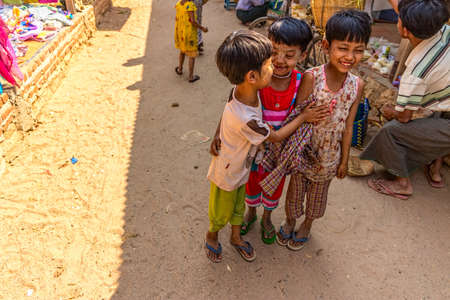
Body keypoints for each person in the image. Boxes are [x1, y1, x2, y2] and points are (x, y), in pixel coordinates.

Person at [205, 30, 315, 263]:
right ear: (252, 76)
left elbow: (226, 108)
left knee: (237, 206)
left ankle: (236, 237)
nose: (274, 66)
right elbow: (274, 137)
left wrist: (217, 133)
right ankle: (212, 237)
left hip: (240, 167)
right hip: (227, 171)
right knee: (220, 211)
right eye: (268, 64)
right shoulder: (247, 118)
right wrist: (304, 117)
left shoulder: (242, 91)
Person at [276, 10, 369, 251]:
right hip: (304, 151)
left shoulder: (357, 85)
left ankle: (307, 225)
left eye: (358, 50)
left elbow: (348, 126)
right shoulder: (311, 78)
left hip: (329, 157)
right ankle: (290, 220)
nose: (350, 56)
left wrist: (344, 160)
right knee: (295, 195)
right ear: (327, 46)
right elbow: (297, 117)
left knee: (318, 200)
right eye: (343, 48)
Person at [236, 18, 328, 245]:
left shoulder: (301, 83)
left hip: (280, 151)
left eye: (289, 55)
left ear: (302, 56)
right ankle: (251, 213)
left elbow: (302, 114)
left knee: (274, 187)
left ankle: (267, 218)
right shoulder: (256, 77)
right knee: (251, 182)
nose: (279, 60)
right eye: (274, 52)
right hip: (254, 147)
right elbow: (236, 105)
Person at [361, 0, 450, 199]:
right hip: (446, 103)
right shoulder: (442, 29)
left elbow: (404, 117)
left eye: (400, 16)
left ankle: (402, 184)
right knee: (435, 108)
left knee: (390, 132)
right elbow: (401, 7)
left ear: (405, 30)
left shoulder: (417, 71)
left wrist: (389, 110)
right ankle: (434, 169)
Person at [174, 0, 208, 82]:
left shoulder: (179, 4)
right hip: (189, 34)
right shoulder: (190, 6)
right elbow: (192, 21)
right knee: (192, 55)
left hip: (181, 33)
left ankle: (180, 69)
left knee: (182, 51)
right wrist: (202, 28)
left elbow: (176, 18)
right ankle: (191, 77)